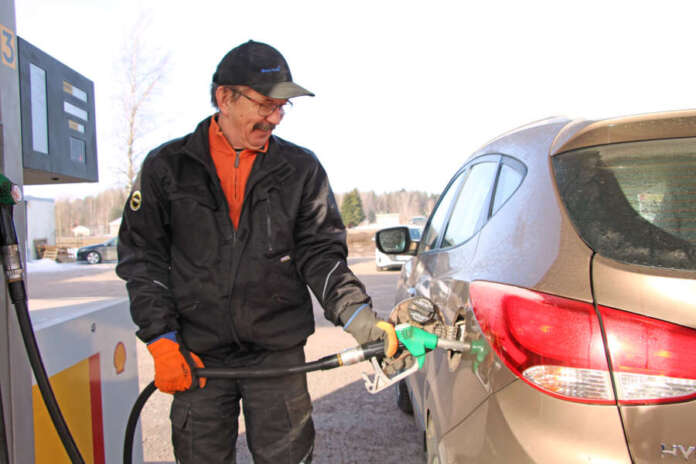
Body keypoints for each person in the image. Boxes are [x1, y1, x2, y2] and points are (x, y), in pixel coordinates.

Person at [116, 40, 391, 464]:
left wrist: (361, 319)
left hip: (276, 357)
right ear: (224, 97)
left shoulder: (300, 169)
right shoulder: (168, 167)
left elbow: (321, 255)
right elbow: (142, 258)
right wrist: (161, 339)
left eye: (282, 106)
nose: (276, 117)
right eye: (266, 104)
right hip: (197, 357)